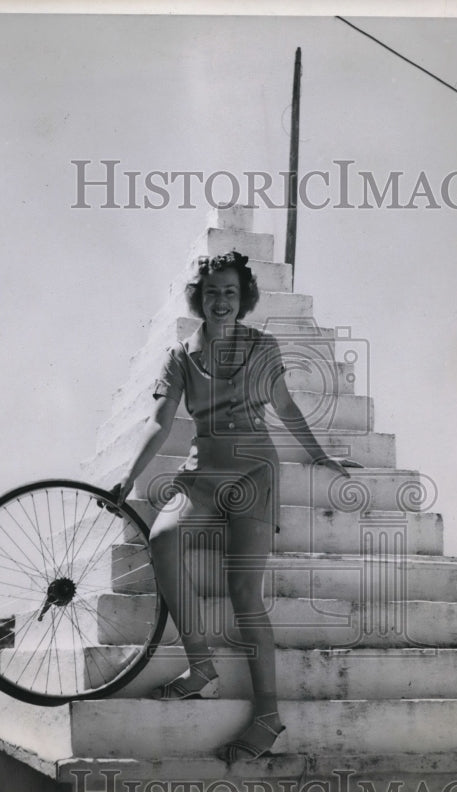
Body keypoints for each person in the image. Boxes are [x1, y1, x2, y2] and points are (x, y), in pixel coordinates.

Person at [111, 250, 359, 761]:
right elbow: (159, 423)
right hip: (202, 475)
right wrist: (128, 476)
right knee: (161, 540)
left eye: (229, 292)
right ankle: (200, 666)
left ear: (242, 298)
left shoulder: (263, 348)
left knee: (244, 590)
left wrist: (318, 455)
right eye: (210, 292)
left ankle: (267, 714)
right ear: (198, 299)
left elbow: (286, 408)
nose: (220, 301)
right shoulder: (180, 355)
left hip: (252, 474)